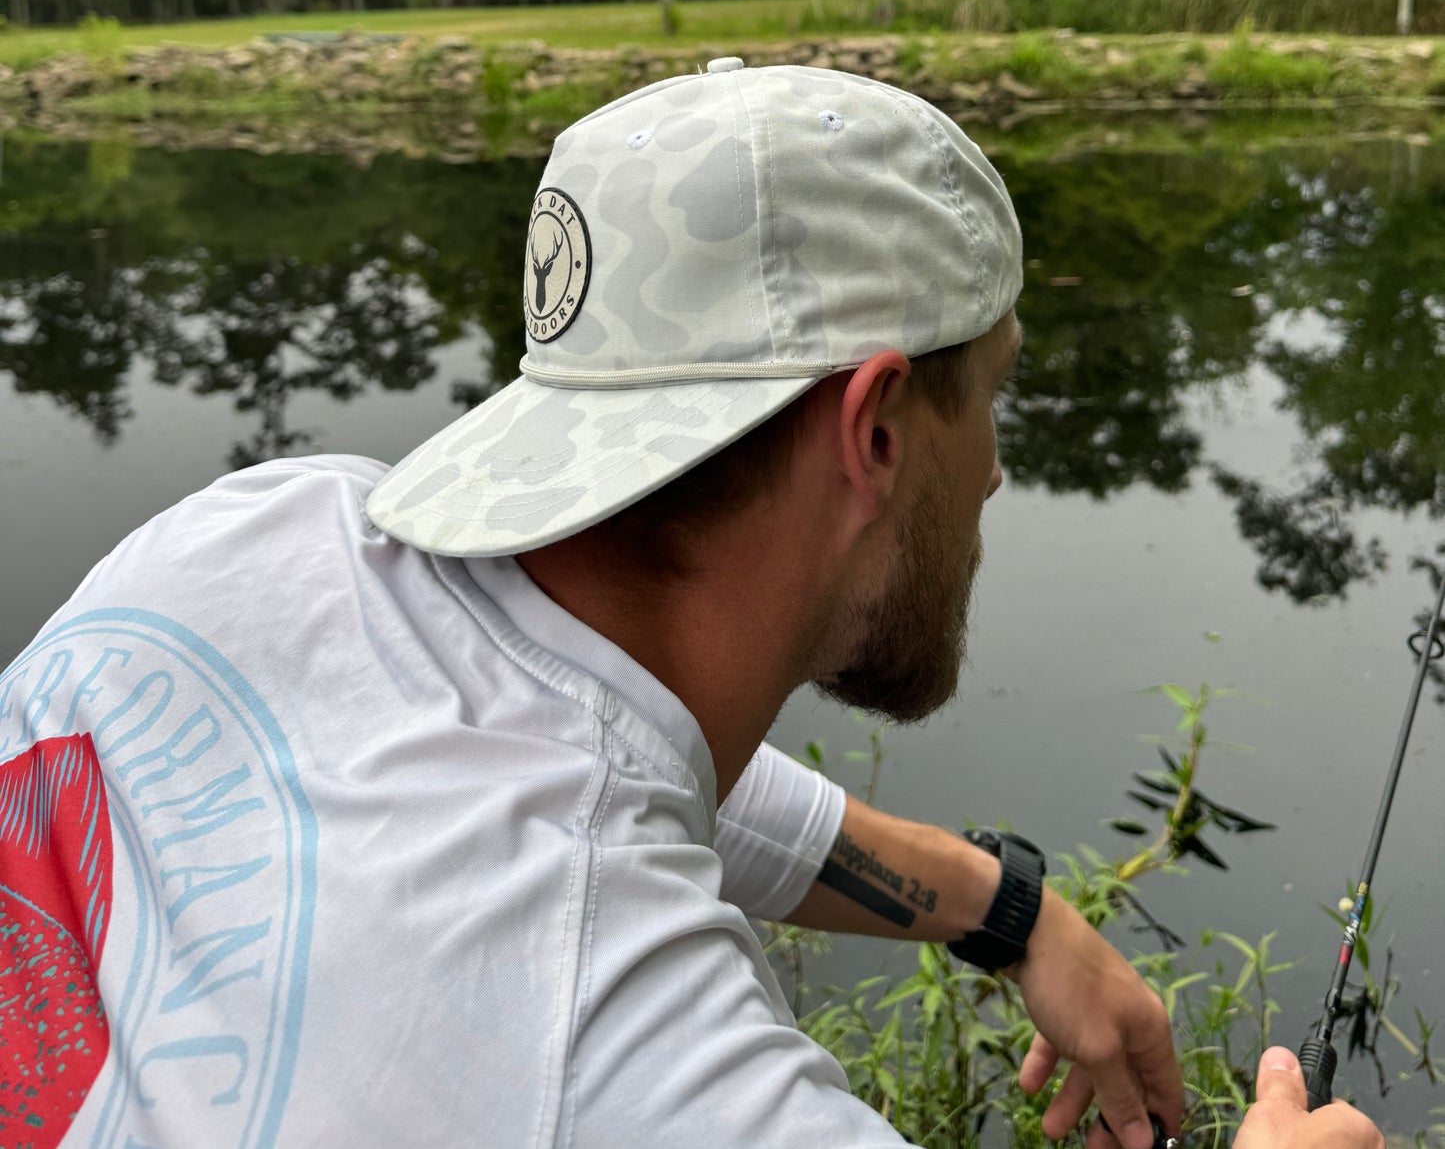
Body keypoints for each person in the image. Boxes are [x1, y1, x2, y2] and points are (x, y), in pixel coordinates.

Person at [0, 60, 1382, 1149]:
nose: (1001, 470)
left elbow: (589, 766)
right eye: (994, 397)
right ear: (878, 432)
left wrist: (1008, 914)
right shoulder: (630, 1075)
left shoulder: (259, 534)